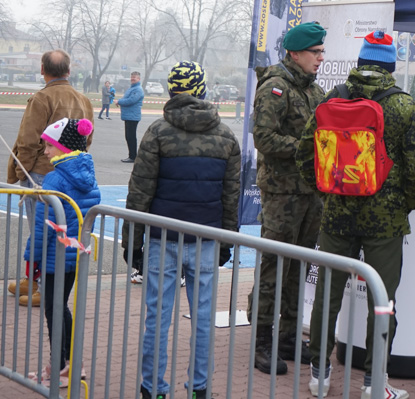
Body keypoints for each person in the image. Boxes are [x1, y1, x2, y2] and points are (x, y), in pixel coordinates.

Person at [297, 30, 415, 399]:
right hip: (385, 222)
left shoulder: (333, 97)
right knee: (383, 300)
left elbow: (304, 155)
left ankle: (319, 376)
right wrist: (405, 203)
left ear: (359, 62)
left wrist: (327, 191)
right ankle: (374, 384)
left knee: (327, 293)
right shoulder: (403, 107)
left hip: (337, 217)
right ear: (390, 65)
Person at [122, 61, 241, 399]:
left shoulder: (158, 132)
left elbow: (140, 192)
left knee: (157, 319)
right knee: (203, 319)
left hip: (163, 238)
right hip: (207, 238)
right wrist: (226, 241)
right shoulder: (226, 135)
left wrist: (132, 243)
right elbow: (230, 195)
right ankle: (199, 389)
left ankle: (153, 389)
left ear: (172, 90)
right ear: (203, 89)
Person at [248, 21, 327, 374]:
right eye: (315, 52)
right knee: (275, 266)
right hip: (282, 193)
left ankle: (291, 337)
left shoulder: (314, 91)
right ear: (295, 54)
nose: (321, 58)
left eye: (322, 51)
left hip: (311, 192)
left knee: (300, 266)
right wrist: (308, 149)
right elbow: (264, 138)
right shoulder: (276, 89)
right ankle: (263, 341)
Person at [6, 49, 94, 306]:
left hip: (41, 174)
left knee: (46, 233)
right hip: (68, 172)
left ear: (43, 70)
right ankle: (32, 279)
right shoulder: (84, 100)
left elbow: (28, 139)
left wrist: (24, 174)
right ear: (68, 71)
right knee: (47, 231)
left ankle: (44, 287)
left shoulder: (41, 98)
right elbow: (87, 138)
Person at [23, 117, 100, 387]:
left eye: (49, 146)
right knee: (60, 307)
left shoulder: (55, 178)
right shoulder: (87, 174)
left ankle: (63, 366)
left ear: (64, 147)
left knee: (54, 310)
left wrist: (32, 257)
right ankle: (67, 363)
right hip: (75, 254)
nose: (45, 152)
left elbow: (43, 228)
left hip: (56, 255)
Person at [117, 71, 144, 163]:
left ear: (139, 79)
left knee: (131, 137)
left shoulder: (138, 90)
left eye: (135, 77)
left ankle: (133, 156)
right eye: (132, 77)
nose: (132, 79)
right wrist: (121, 101)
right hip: (129, 116)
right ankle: (132, 155)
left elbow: (131, 101)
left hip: (133, 116)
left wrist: (119, 101)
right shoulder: (131, 88)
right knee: (128, 136)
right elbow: (126, 99)